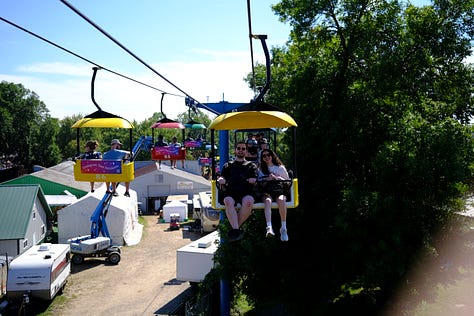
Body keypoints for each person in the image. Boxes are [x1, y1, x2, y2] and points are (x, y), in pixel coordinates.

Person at [217, 141, 258, 241]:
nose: (241, 150)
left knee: (248, 202)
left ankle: (234, 229)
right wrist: (221, 179)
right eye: (239, 148)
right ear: (235, 150)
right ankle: (237, 229)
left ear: (246, 151)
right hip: (231, 191)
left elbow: (256, 179)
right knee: (228, 201)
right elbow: (222, 176)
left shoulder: (251, 166)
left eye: (243, 149)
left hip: (246, 191)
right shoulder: (228, 165)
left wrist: (253, 180)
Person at [258, 148, 290, 241]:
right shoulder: (261, 170)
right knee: (267, 201)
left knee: (281, 200)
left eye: (268, 155)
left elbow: (288, 182)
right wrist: (267, 179)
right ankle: (269, 227)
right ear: (262, 158)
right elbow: (259, 183)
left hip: (279, 190)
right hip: (267, 191)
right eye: (264, 156)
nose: (267, 157)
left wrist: (278, 178)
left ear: (272, 156)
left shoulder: (280, 168)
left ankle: (283, 227)